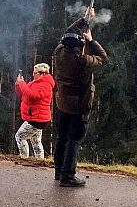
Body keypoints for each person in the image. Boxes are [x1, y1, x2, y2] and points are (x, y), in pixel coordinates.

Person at [52, 12, 108, 187]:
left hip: (62, 103)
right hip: (78, 106)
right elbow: (103, 58)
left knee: (62, 138)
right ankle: (67, 176)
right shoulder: (83, 61)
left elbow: (68, 32)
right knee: (74, 140)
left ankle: (59, 171)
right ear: (79, 44)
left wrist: (84, 19)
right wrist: (91, 41)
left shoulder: (58, 52)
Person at [14, 63, 54, 159]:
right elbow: (24, 94)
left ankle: (24, 158)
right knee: (35, 140)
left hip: (37, 119)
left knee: (20, 136)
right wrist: (18, 84)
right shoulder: (35, 83)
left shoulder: (45, 85)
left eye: (35, 73)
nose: (33, 74)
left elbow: (33, 96)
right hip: (37, 117)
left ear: (42, 74)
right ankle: (39, 160)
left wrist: (22, 84)